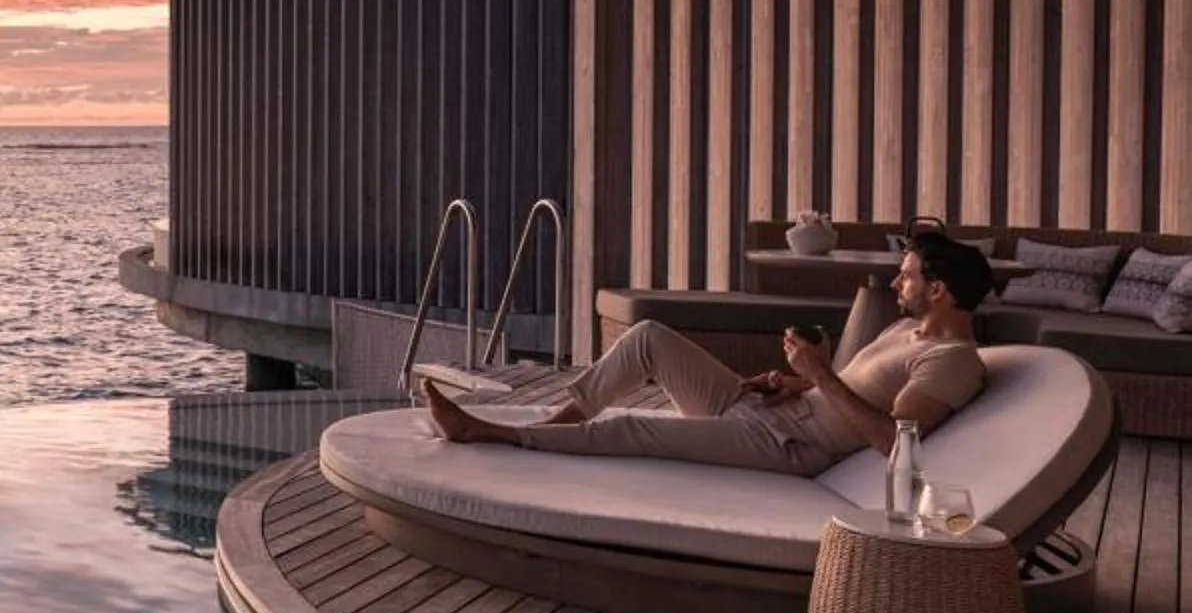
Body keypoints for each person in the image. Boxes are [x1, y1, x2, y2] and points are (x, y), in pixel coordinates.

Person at [421, 231, 993, 477]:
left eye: (907, 277)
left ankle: (488, 434)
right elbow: (851, 390)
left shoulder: (950, 361)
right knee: (647, 335)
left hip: (788, 448)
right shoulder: (904, 332)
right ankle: (558, 425)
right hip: (773, 411)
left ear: (937, 289)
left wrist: (818, 372)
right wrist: (798, 383)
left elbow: (896, 443)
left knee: (631, 429)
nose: (897, 285)